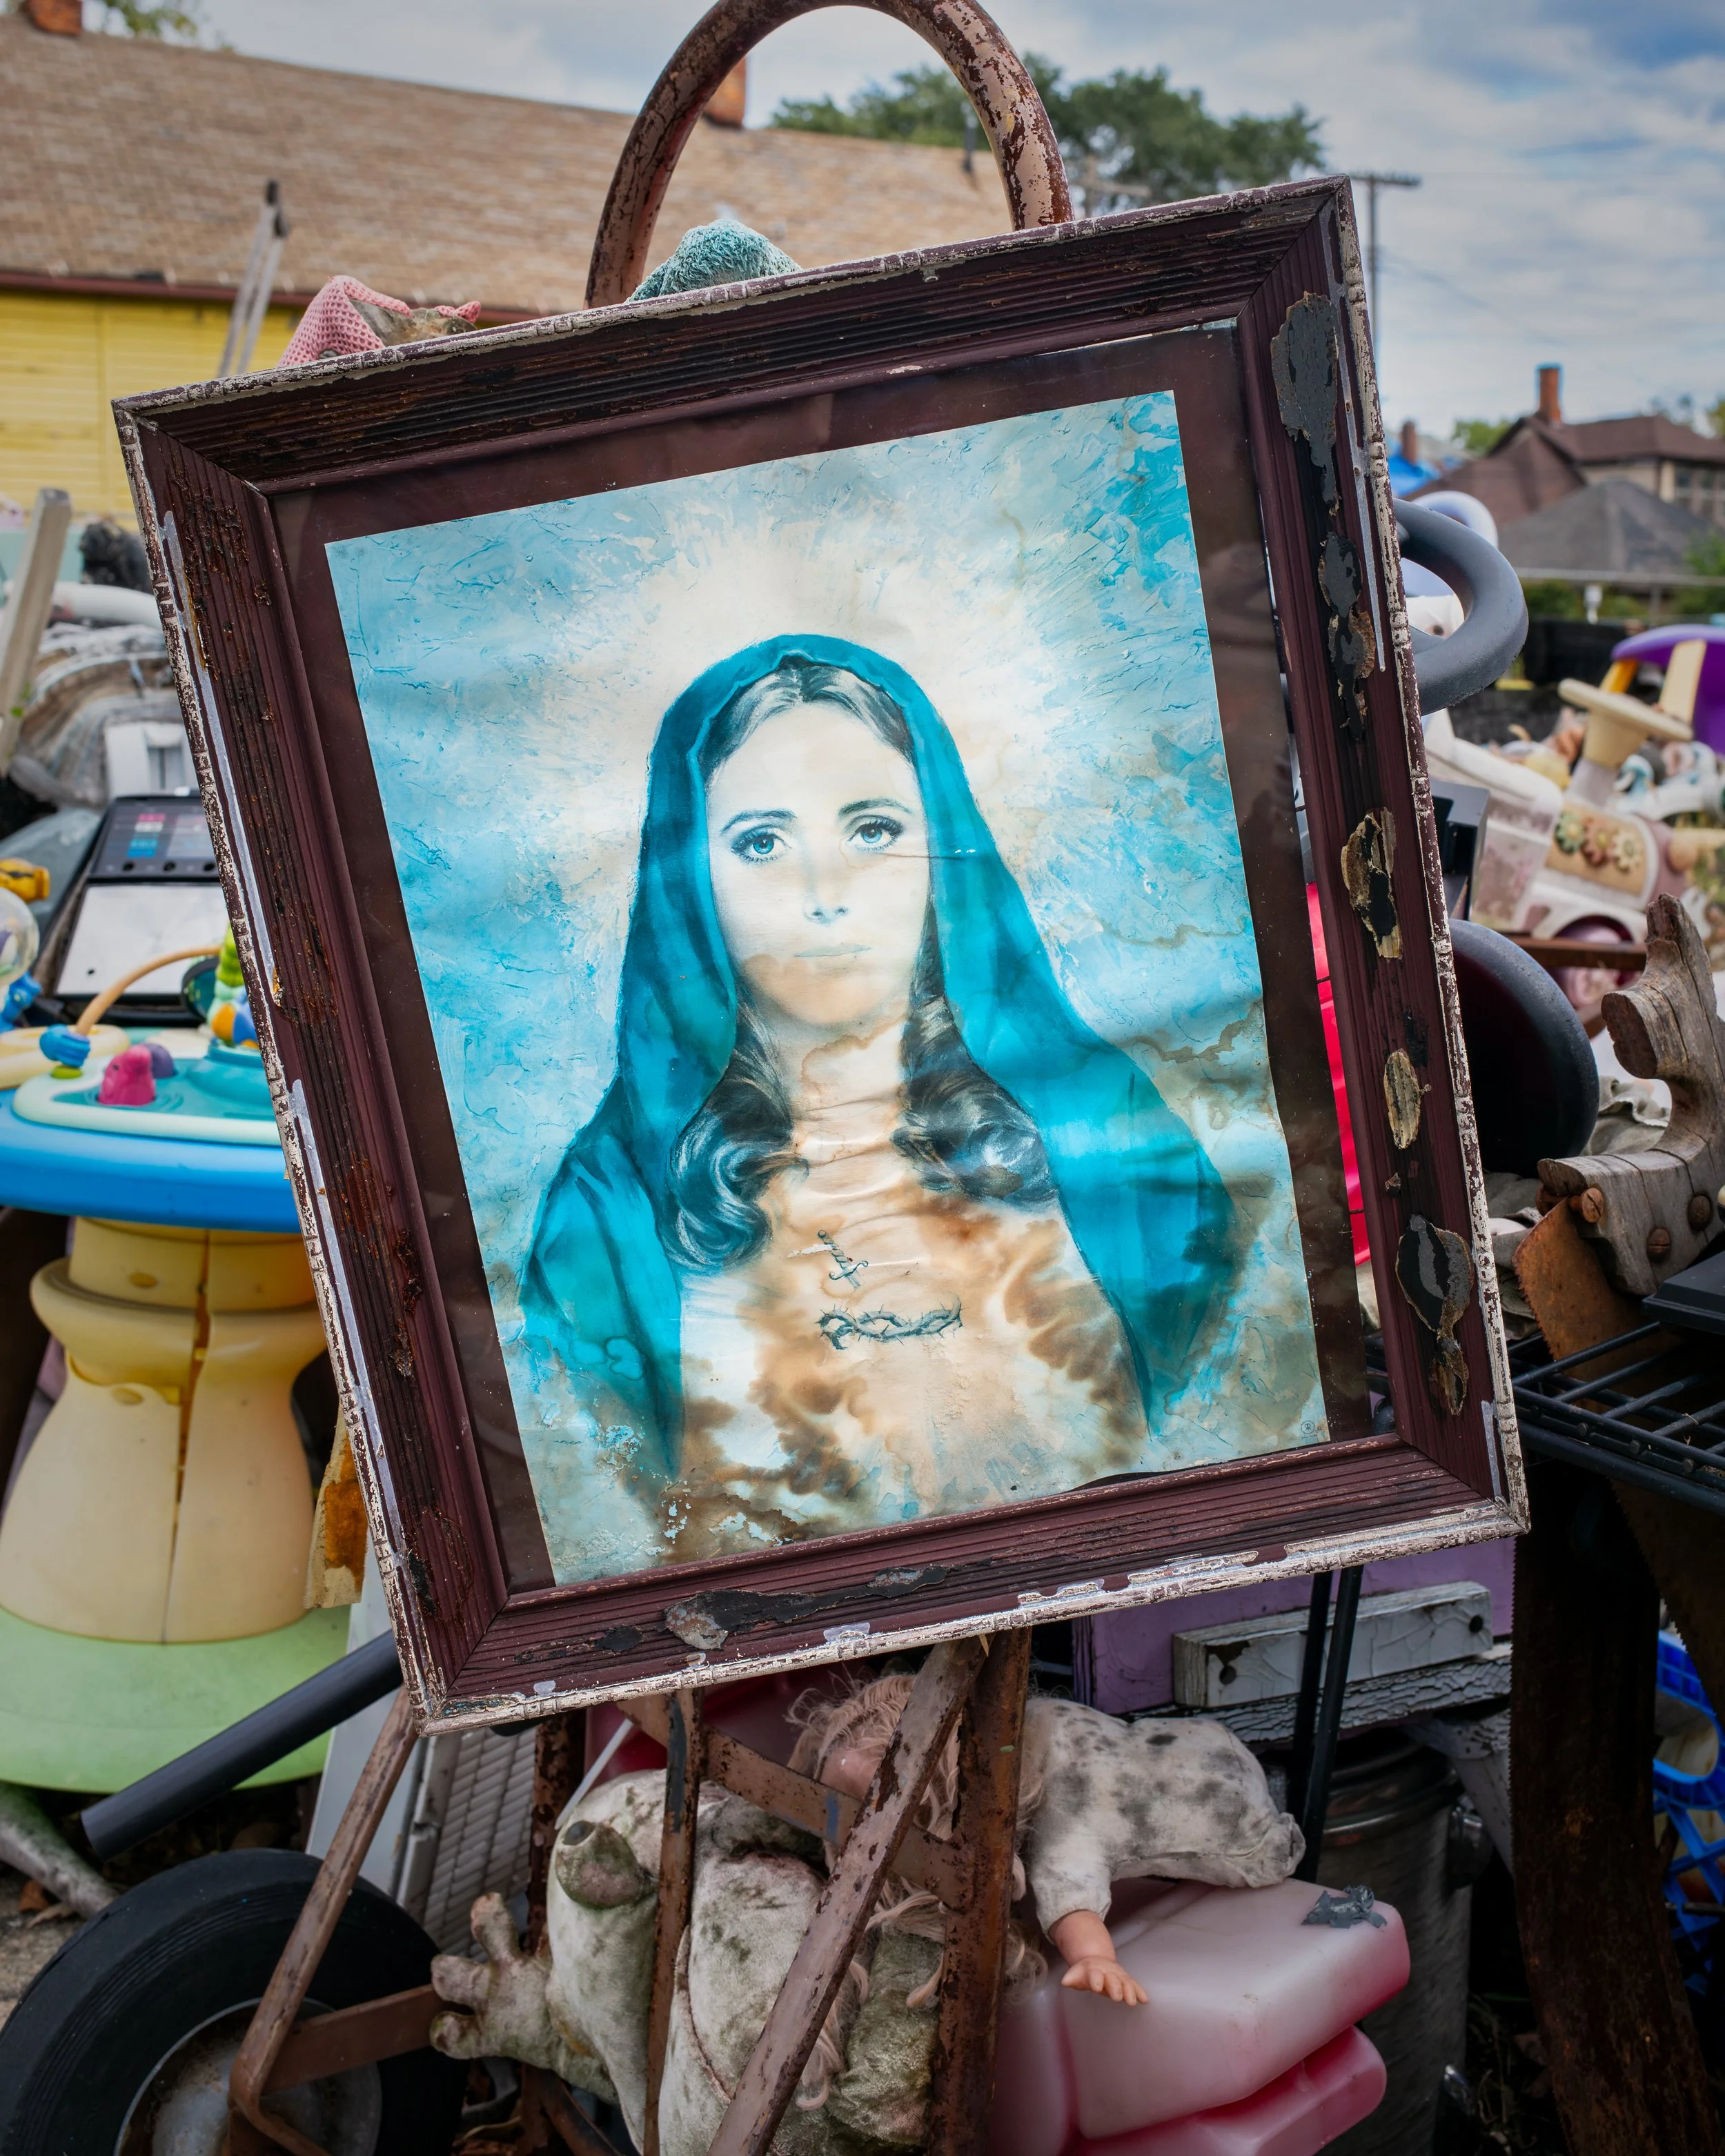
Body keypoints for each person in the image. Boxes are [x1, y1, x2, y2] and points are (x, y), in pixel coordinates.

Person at [524, 637, 1234, 1559]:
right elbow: (604, 1519)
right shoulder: (609, 1207)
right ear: (690, 884)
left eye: (873, 831)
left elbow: (1228, 1410)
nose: (826, 895)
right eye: (762, 843)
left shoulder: (1109, 1128)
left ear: (944, 850)